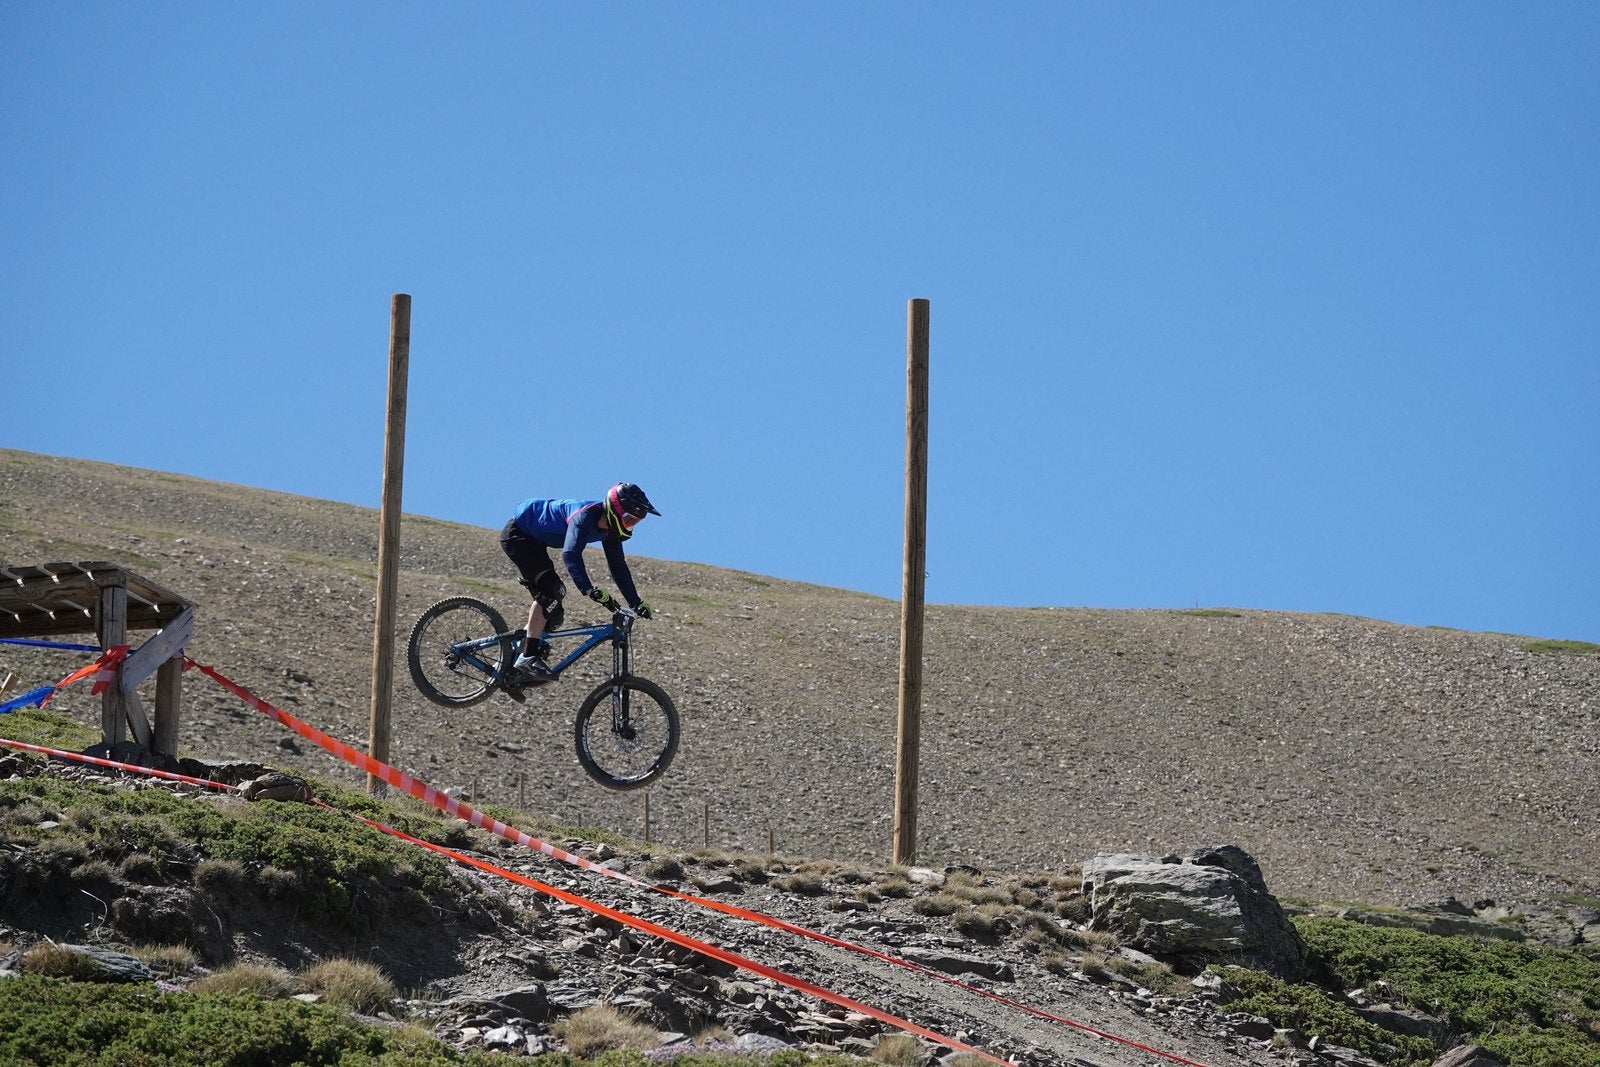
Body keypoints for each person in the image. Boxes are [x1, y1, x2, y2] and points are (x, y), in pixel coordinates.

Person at [499, 482, 661, 689]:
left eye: (635, 522)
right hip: (518, 535)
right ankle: (527, 657)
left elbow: (618, 567)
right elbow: (570, 553)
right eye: (630, 520)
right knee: (552, 591)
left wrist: (635, 602)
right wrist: (588, 589)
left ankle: (508, 665)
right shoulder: (584, 516)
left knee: (554, 616)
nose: (631, 526)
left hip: (536, 541)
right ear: (615, 511)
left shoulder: (610, 531)